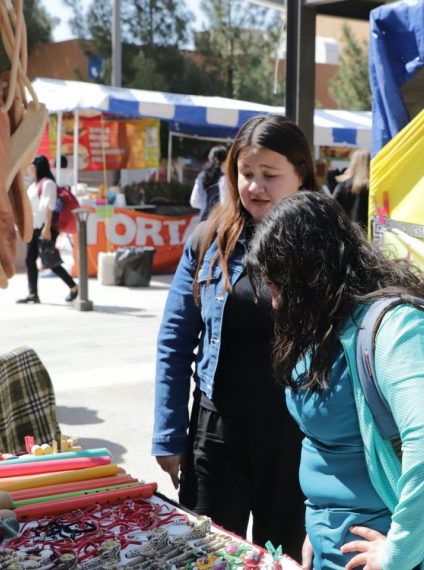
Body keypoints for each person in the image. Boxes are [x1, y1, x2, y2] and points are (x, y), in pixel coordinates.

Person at [245, 191, 424, 570]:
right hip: (330, 545)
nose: (275, 302)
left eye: (280, 286)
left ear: (312, 275)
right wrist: (316, 530)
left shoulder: (402, 326)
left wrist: (399, 552)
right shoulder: (324, 320)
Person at [154, 114, 315, 559]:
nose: (255, 187)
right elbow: (174, 341)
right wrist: (168, 434)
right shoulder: (208, 240)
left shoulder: (324, 247)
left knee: (283, 559)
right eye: (246, 173)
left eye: (270, 175)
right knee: (206, 555)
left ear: (301, 175)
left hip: (296, 438)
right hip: (216, 434)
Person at [18, 155, 78, 304]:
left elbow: (49, 207)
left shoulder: (48, 184)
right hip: (34, 227)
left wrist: (47, 228)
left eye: (31, 165)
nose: (29, 168)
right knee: (30, 260)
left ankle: (73, 286)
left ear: (38, 167)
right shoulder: (33, 185)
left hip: (45, 227)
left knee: (49, 260)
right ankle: (33, 293)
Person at [333, 149, 370, 229]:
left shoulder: (342, 184)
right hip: (368, 232)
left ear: (353, 163)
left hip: (347, 231)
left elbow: (332, 208)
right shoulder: (373, 187)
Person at [189, 145, 228, 221]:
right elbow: (225, 203)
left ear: (209, 157)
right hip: (219, 222)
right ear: (226, 160)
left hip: (203, 221)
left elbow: (194, 202)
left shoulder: (201, 176)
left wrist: (205, 205)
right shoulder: (225, 177)